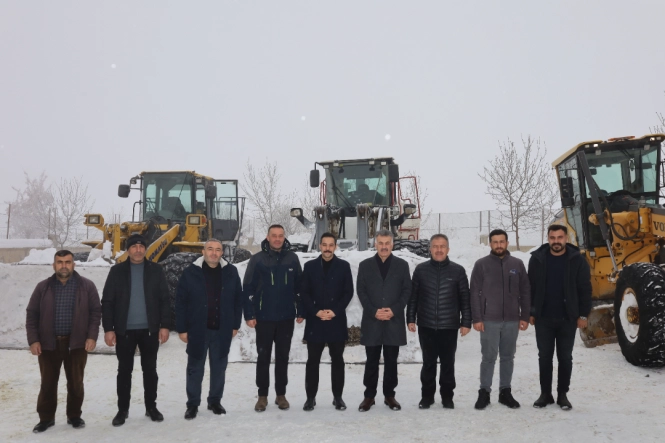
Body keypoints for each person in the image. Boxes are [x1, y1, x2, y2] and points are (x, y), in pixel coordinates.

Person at [26, 250, 102, 433]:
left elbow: (95, 313)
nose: (64, 266)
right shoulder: (43, 287)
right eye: (60, 262)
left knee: (76, 383)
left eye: (67, 262)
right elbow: (32, 314)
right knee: (47, 383)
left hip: (76, 344)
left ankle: (74, 415)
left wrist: (91, 336)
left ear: (73, 264)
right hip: (48, 344)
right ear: (54, 265)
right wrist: (34, 340)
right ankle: (46, 418)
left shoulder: (86, 286)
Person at [101, 233, 171, 426]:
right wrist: (108, 328)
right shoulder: (117, 272)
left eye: (141, 246)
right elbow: (107, 301)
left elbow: (165, 300)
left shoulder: (156, 270)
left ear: (145, 249)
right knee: (124, 371)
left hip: (150, 330)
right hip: (124, 331)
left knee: (150, 371)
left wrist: (164, 325)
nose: (138, 250)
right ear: (128, 250)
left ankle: (151, 407)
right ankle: (122, 410)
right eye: (134, 247)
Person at [176, 239, 243, 419]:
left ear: (222, 253)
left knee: (219, 368)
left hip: (222, 329)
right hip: (198, 329)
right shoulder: (190, 272)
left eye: (218, 250)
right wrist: (182, 328)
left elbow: (238, 300)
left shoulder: (231, 272)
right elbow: (180, 302)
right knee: (195, 368)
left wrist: (235, 325)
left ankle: (215, 401)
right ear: (203, 251)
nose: (214, 253)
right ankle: (192, 404)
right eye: (210, 249)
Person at [528, 224, 591, 410]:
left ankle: (563, 395)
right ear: (548, 238)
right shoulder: (537, 259)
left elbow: (585, 289)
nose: (556, 241)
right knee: (544, 357)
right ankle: (545, 394)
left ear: (566, 239)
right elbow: (530, 287)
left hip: (568, 319)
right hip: (543, 319)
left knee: (565, 358)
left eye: (560, 237)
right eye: (552, 238)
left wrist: (583, 314)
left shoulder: (577, 260)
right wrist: (531, 312)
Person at [407, 234, 471, 410]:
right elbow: (413, 297)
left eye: (442, 246)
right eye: (435, 246)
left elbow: (465, 299)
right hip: (426, 325)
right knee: (428, 364)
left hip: (449, 326)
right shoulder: (421, 270)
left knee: (448, 364)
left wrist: (466, 322)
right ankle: (427, 397)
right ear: (430, 249)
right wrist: (411, 318)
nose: (439, 250)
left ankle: (447, 397)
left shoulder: (458, 271)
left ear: (448, 249)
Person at [243, 224, 304, 412]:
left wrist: (300, 310)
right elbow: (248, 288)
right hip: (264, 318)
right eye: (274, 235)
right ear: (268, 237)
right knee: (263, 357)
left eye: (280, 235)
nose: (277, 239)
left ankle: (280, 394)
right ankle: (262, 396)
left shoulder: (292, 259)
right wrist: (249, 314)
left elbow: (299, 287)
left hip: (286, 318)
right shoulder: (257, 260)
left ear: (284, 237)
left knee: (283, 357)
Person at [470, 229, 530, 410]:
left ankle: (505, 392)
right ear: (490, 244)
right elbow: (474, 293)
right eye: (495, 242)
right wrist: (477, 318)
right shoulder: (481, 265)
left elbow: (525, 291)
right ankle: (484, 392)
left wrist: (524, 316)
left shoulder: (517, 264)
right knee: (488, 357)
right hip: (489, 320)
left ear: (507, 243)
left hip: (512, 320)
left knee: (508, 357)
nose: (498, 245)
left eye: (501, 241)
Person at [356, 229, 412, 412]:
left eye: (387, 243)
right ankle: (369, 396)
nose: (384, 246)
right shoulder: (365, 266)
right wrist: (374, 311)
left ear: (392, 244)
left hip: (393, 321)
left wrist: (394, 310)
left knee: (391, 361)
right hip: (372, 321)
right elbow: (361, 291)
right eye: (381, 243)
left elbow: (407, 291)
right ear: (375, 244)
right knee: (371, 361)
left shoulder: (402, 265)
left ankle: (389, 395)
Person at [300, 232, 354, 411]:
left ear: (335, 247)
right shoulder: (309, 267)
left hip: (335, 321)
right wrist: (315, 311)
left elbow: (348, 292)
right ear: (319, 246)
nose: (327, 248)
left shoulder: (344, 266)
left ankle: (338, 397)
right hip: (315, 321)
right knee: (312, 361)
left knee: (337, 360)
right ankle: (310, 398)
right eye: (324, 245)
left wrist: (334, 311)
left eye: (331, 245)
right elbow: (304, 292)